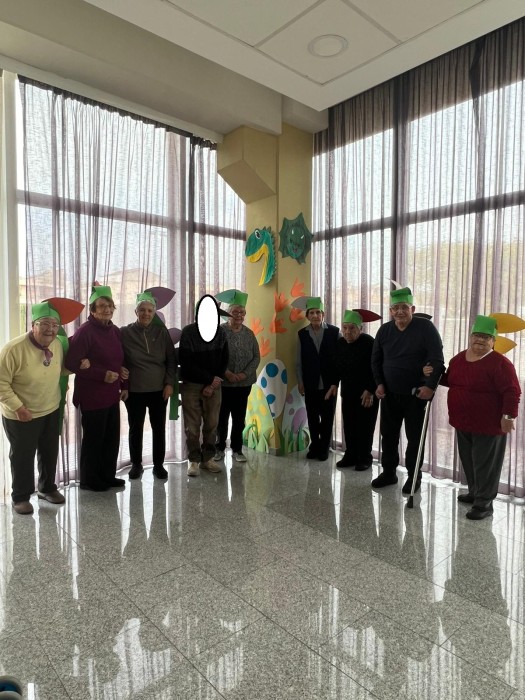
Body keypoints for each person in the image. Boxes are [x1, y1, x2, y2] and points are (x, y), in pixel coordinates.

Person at [438, 315, 520, 520]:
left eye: (486, 337)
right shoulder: (459, 358)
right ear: (470, 337)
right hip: (462, 420)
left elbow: (512, 392)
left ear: (493, 341)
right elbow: (451, 380)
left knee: (485, 464)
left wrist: (508, 416)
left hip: (488, 424)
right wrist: (434, 374)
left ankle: (484, 503)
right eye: (477, 335)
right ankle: (475, 493)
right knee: (469, 460)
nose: (480, 340)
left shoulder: (501, 363)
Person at [0, 301, 73, 514]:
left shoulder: (57, 344)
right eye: (45, 324)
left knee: (49, 451)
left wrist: (79, 366)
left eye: (55, 325)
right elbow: (1, 383)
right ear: (33, 325)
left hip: (51, 408)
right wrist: (18, 407)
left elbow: (60, 370)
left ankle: (47, 488)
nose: (50, 329)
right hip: (21, 413)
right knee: (22, 455)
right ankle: (20, 497)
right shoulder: (13, 349)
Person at [371, 287, 444, 492]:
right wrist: (379, 383)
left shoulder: (425, 328)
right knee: (388, 436)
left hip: (416, 395)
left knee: (415, 439)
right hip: (389, 394)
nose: (400, 311)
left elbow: (437, 360)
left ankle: (414, 477)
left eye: (404, 307)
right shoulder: (384, 330)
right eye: (396, 308)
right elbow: (375, 360)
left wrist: (429, 387)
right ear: (391, 311)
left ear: (412, 308)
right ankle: (389, 473)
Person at [65, 285, 128, 491]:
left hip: (111, 394)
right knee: (94, 439)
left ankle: (107, 475)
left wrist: (123, 380)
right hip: (92, 395)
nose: (106, 309)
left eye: (109, 306)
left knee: (111, 438)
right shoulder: (85, 332)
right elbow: (71, 363)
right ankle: (89, 480)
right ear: (92, 310)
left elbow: (119, 360)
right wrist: (101, 374)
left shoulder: (115, 331)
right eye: (101, 306)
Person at [120, 291, 176, 480]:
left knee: (159, 428)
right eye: (142, 310)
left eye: (150, 311)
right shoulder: (125, 332)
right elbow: (117, 357)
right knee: (135, 429)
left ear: (154, 313)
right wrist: (121, 376)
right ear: (136, 312)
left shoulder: (162, 332)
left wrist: (169, 383)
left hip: (159, 390)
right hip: (134, 390)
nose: (146, 313)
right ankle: (136, 464)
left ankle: (158, 465)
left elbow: (171, 360)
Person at [179, 295, 229, 477]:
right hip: (191, 385)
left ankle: (208, 459)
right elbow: (186, 362)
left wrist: (214, 382)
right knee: (192, 426)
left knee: (212, 424)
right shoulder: (188, 332)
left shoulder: (221, 333)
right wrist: (210, 379)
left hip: (215, 385)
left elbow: (224, 360)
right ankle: (193, 460)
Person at [328, 309, 380, 470]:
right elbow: (336, 366)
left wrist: (370, 389)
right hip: (348, 392)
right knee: (349, 426)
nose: (347, 332)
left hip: (367, 393)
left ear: (360, 329)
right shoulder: (340, 343)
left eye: (352, 328)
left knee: (365, 427)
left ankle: (365, 458)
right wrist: (334, 384)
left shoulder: (369, 343)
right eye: (344, 327)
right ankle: (350, 455)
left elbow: (377, 368)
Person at [214, 289, 260, 463]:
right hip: (223, 383)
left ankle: (237, 449)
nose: (239, 315)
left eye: (242, 312)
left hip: (243, 384)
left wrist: (243, 374)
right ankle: (219, 448)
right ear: (228, 313)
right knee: (222, 418)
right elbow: (214, 355)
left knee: (239, 418)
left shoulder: (249, 333)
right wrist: (226, 373)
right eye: (235, 312)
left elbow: (256, 357)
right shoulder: (219, 332)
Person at [296, 296, 340, 461]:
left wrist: (335, 382)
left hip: (329, 385)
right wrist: (300, 382)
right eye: (312, 313)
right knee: (313, 417)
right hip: (310, 383)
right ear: (307, 316)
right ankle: (315, 446)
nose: (315, 315)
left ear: (323, 314)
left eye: (318, 312)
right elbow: (298, 361)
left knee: (327, 418)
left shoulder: (334, 332)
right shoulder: (302, 334)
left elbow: (339, 361)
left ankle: (324, 448)